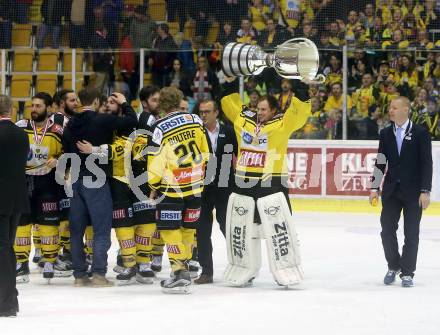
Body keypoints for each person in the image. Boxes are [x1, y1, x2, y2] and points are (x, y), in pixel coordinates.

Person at [220, 77, 310, 287]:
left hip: (273, 183)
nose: (259, 112)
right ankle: (247, 269)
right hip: (244, 182)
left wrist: (302, 88)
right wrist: (230, 82)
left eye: (263, 109)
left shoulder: (282, 124)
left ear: (273, 110)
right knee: (245, 228)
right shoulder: (244, 120)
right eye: (257, 108)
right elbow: (228, 103)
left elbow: (300, 113)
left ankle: (285, 268)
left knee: (278, 226)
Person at [61, 88, 137, 287]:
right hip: (96, 179)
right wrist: (124, 102)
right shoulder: (101, 119)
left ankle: (79, 276)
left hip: (75, 180)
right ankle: (99, 275)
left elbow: (66, 150)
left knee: (76, 231)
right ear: (95, 101)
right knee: (101, 230)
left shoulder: (70, 125)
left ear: (78, 101)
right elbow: (131, 121)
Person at [146, 87, 211, 293]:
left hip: (171, 188)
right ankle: (185, 267)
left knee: (169, 229)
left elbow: (155, 159)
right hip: (195, 186)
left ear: (162, 104)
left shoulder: (159, 127)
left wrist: (154, 185)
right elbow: (207, 151)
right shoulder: (196, 120)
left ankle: (179, 271)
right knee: (188, 230)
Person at [370, 96, 433, 288]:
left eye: (395, 107)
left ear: (406, 109)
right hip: (391, 190)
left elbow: (426, 163)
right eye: (390, 107)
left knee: (411, 233)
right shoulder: (386, 133)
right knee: (387, 230)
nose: (391, 110)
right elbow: (381, 161)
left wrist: (425, 190)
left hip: (414, 192)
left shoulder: (421, 133)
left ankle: (407, 273)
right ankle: (393, 265)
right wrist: (374, 187)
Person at [15, 93, 70, 283]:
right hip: (24, 181)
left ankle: (49, 261)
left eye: (38, 106)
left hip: (48, 181)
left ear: (48, 109)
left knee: (49, 224)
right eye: (32, 105)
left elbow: (70, 153)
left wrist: (60, 161)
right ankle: (21, 264)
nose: (34, 109)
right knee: (22, 223)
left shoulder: (58, 130)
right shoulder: (21, 126)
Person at [194, 99, 237, 284]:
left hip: (225, 187)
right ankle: (206, 271)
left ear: (216, 113)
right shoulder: (196, 132)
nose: (203, 114)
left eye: (207, 111)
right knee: (202, 231)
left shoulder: (229, 131)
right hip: (202, 188)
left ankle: (240, 265)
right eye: (201, 111)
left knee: (228, 227)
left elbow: (240, 155)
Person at [0, 95, 29, 317]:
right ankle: (11, 298)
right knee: (7, 248)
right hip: (16, 200)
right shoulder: (21, 135)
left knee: (3, 251)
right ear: (11, 110)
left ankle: (6, 302)